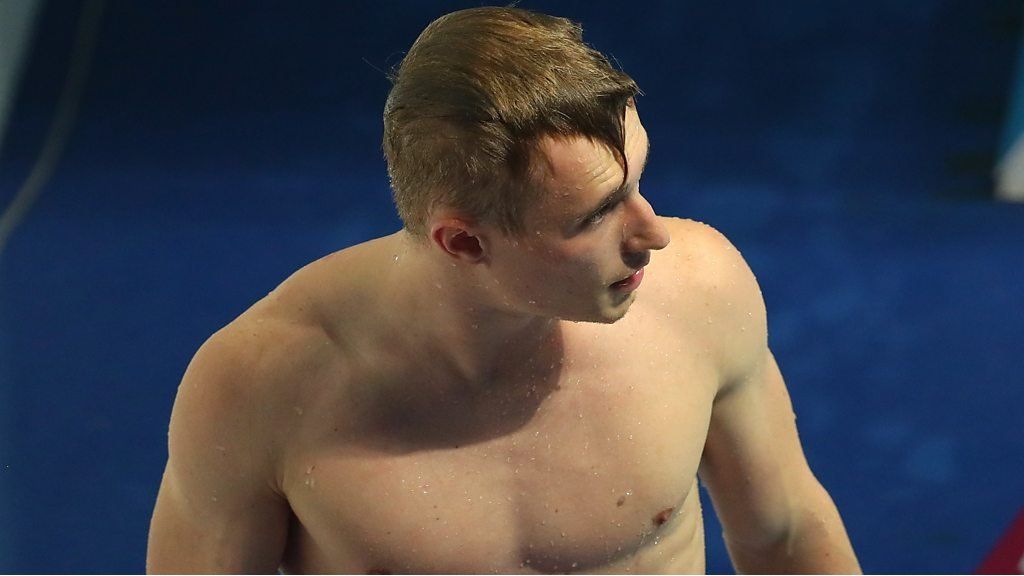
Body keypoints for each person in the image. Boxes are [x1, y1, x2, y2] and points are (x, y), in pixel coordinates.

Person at [146, 6, 861, 574]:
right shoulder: (261, 386)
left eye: (637, 184)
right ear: (464, 242)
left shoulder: (698, 294)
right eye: (595, 215)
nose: (653, 234)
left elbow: (787, 535)